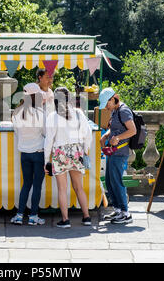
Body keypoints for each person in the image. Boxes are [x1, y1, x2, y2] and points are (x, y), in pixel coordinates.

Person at [44, 87, 92, 228]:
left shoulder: (52, 117)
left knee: (62, 189)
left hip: (60, 153)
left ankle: (65, 220)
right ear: (69, 98)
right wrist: (85, 151)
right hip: (76, 151)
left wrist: (46, 160)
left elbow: (48, 141)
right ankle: (87, 217)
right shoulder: (78, 113)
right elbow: (87, 135)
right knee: (79, 187)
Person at [99, 87, 137, 224]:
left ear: (113, 99)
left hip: (120, 152)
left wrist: (118, 138)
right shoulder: (115, 111)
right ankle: (118, 210)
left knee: (117, 182)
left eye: (107, 104)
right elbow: (115, 127)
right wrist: (107, 135)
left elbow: (132, 130)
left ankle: (126, 213)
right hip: (113, 151)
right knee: (110, 181)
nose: (107, 107)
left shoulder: (124, 111)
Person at [10, 83, 46, 226]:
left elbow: (17, 133)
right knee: (37, 185)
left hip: (24, 153)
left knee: (26, 184)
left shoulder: (17, 112)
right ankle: (33, 216)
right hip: (38, 153)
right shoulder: (41, 113)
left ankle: (19, 215)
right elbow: (46, 133)